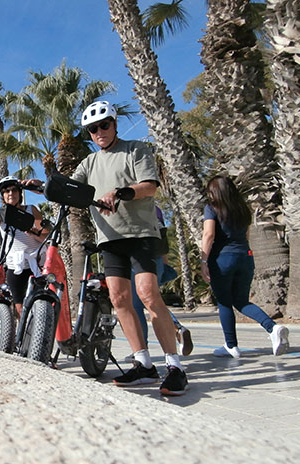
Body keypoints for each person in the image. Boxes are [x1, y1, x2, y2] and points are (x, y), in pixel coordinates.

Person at [25, 101, 188, 396]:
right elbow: (69, 189)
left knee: (149, 295)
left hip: (140, 234)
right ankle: (143, 365)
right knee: (119, 298)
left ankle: (175, 366)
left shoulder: (136, 149)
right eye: (93, 128)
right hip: (109, 238)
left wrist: (120, 193)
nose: (99, 132)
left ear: (114, 124)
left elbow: (149, 186)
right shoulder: (88, 164)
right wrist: (43, 186)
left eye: (104, 125)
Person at [201, 174, 289, 358]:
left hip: (222, 259)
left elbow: (208, 235)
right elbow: (247, 235)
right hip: (245, 256)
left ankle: (231, 346)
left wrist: (203, 261)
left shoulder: (212, 209)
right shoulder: (243, 210)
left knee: (224, 302)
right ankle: (273, 328)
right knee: (241, 301)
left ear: (214, 193)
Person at [0, 176, 48, 318]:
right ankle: (23, 336)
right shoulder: (2, 213)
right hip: (15, 267)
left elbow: (45, 234)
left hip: (36, 265)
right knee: (20, 308)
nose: (11, 194)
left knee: (40, 304)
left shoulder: (31, 210)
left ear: (20, 193)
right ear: (2, 195)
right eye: (6, 191)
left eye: (14, 190)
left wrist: (33, 233)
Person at [129, 205, 194, 359]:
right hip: (156, 256)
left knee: (136, 305)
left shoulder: (126, 205)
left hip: (136, 256)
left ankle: (140, 349)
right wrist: (164, 264)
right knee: (153, 299)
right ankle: (177, 328)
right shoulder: (155, 208)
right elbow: (162, 239)